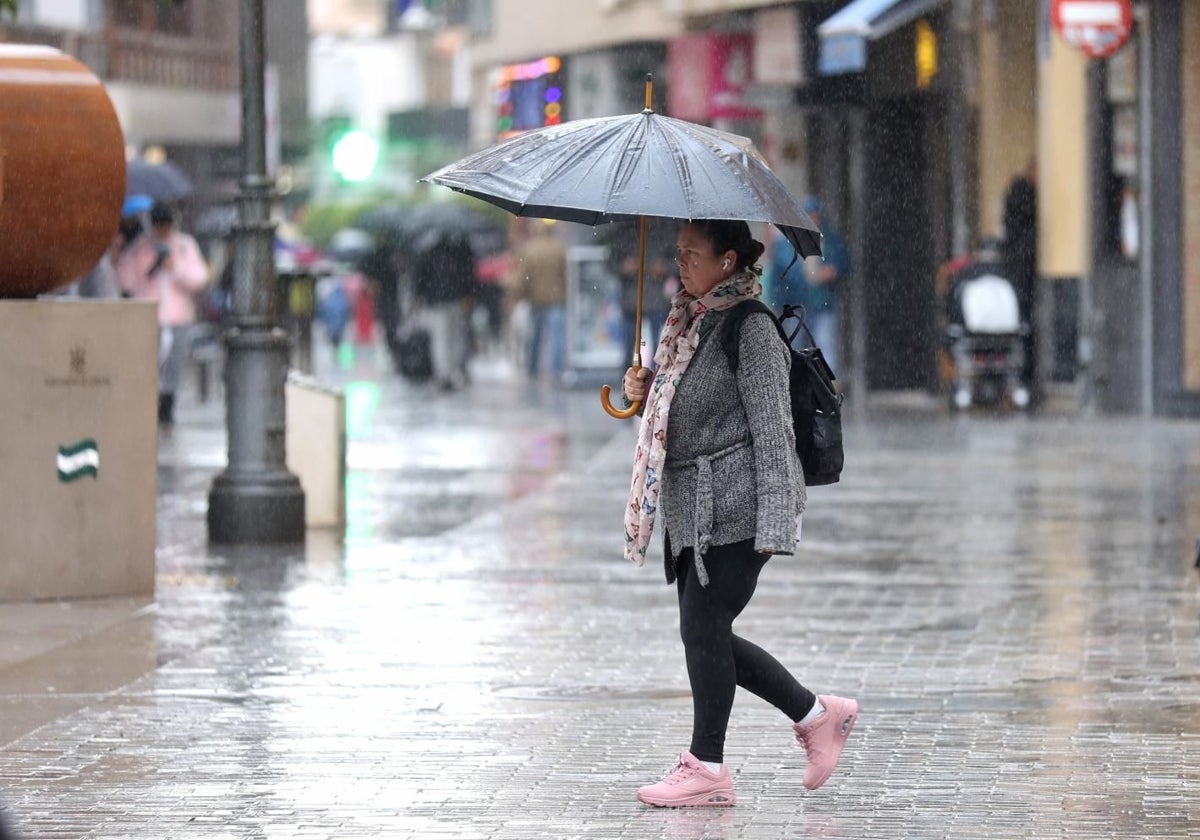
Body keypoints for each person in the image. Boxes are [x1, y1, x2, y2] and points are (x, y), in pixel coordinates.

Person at [621, 219, 859, 808]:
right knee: (707, 634)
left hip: (734, 510)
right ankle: (815, 714)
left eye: (691, 254)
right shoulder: (689, 321)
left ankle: (708, 765)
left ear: (728, 260)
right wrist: (646, 390)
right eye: (676, 253)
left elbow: (774, 429)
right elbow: (685, 407)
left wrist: (776, 526)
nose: (679, 264)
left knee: (702, 631)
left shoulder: (749, 328)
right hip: (689, 511)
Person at [116, 203, 210, 426]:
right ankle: (149, 405)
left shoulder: (184, 246)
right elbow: (126, 280)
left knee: (173, 365)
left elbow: (199, 279)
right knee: (148, 365)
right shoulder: (141, 247)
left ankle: (167, 406)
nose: (162, 231)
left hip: (178, 317)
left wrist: (174, 268)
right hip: (149, 317)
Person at [412, 230, 475, 390]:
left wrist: (420, 296)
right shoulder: (458, 253)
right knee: (455, 338)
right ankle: (454, 373)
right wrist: (468, 295)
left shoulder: (428, 254)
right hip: (456, 301)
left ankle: (443, 374)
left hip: (437, 302)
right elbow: (467, 276)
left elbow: (420, 280)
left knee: (441, 339)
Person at [511, 221, 567, 382]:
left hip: (536, 299)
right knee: (557, 336)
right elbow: (566, 274)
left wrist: (518, 296)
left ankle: (533, 369)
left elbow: (523, 276)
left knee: (534, 336)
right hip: (557, 298)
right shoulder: (560, 248)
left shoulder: (529, 249)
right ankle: (555, 371)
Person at [1003, 157, 1038, 393]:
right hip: (1022, 269)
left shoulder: (1018, 197)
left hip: (1019, 268)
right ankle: (1024, 376)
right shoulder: (1024, 195)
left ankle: (1024, 376)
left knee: (1024, 324)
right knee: (1024, 324)